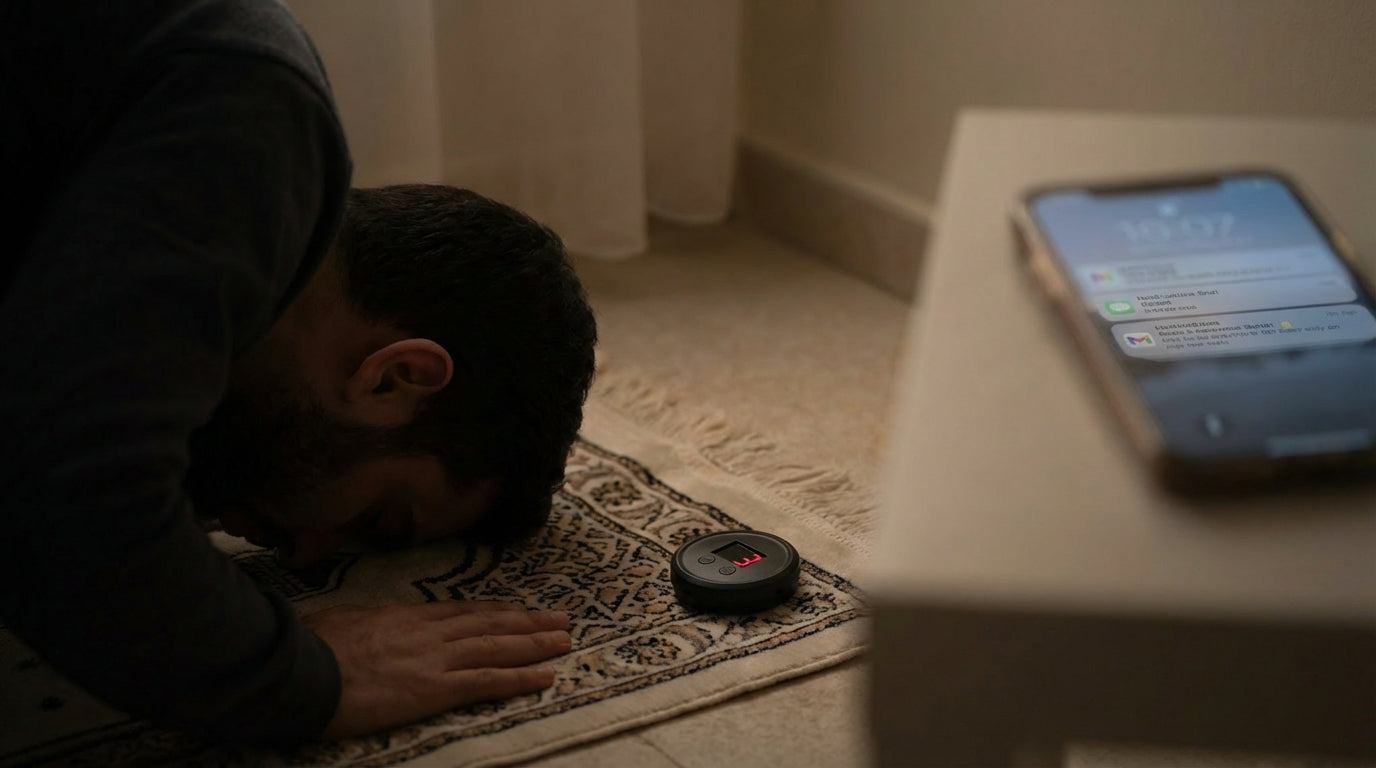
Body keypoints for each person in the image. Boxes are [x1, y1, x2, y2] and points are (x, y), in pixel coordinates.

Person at [1, 0, 596, 747]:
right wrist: (298, 676)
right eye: (375, 515)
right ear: (394, 377)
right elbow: (59, 492)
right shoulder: (246, 114)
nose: (304, 554)